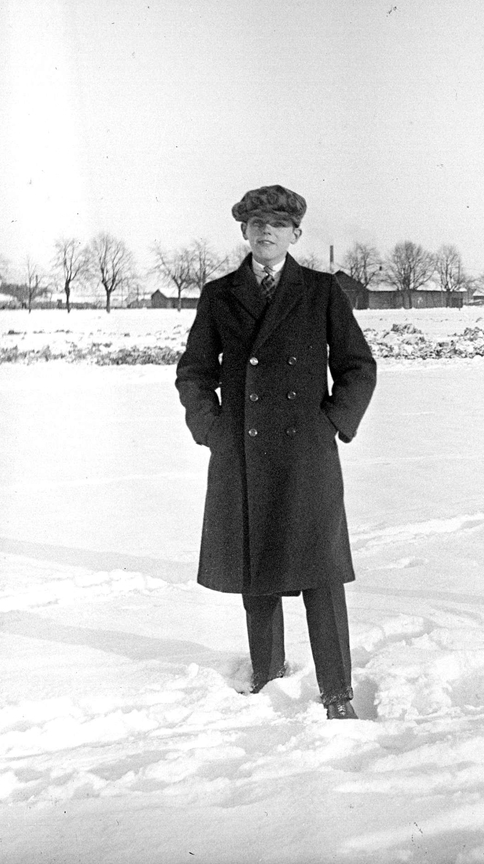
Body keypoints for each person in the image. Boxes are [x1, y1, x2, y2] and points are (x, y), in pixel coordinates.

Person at [176, 185, 377, 718]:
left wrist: (332, 422)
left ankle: (338, 694)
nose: (266, 232)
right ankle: (266, 676)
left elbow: (358, 366)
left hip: (306, 454)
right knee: (255, 566)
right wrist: (213, 429)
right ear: (244, 231)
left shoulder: (321, 291)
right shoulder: (219, 294)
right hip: (242, 451)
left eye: (277, 224)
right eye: (256, 223)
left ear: (295, 234)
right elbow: (195, 372)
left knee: (321, 574)